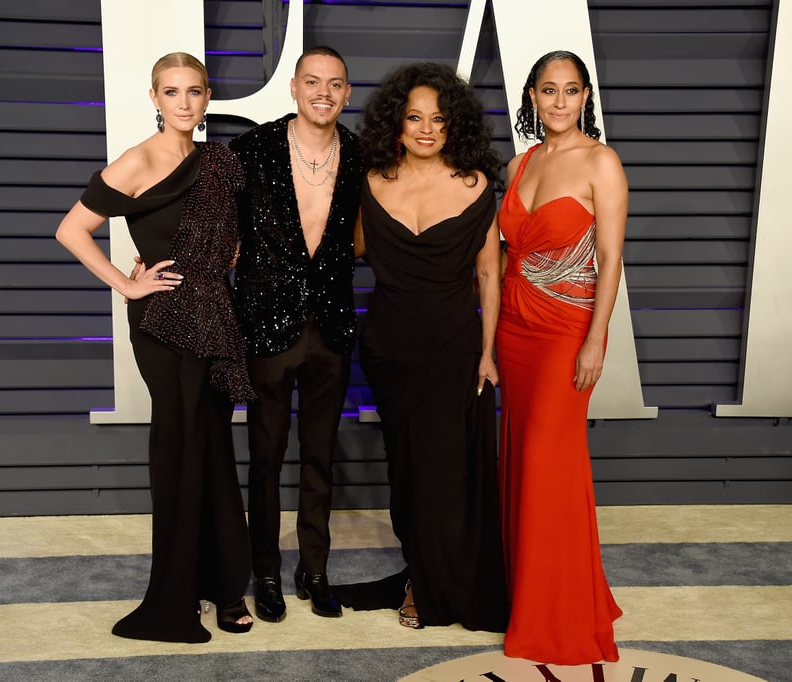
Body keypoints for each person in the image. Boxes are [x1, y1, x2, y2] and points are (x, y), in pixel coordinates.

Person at [55, 52, 253, 643]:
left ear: (207, 96)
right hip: (165, 320)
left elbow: (227, 236)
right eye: (172, 92)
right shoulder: (138, 160)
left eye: (194, 91)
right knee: (180, 449)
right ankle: (175, 593)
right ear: (155, 98)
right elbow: (71, 229)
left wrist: (224, 259)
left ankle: (222, 586)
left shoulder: (217, 159)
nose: (185, 103)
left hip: (216, 315)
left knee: (215, 449)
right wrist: (126, 282)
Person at [344, 62, 508, 632]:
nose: (425, 129)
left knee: (445, 471)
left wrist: (488, 353)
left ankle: (435, 585)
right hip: (389, 349)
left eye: (437, 120)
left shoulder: (476, 185)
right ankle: (419, 569)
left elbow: (490, 275)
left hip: (456, 348)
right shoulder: (370, 183)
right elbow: (343, 250)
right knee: (407, 471)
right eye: (414, 118)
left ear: (452, 125)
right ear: (397, 122)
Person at [496, 50, 625, 664]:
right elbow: (499, 257)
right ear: (531, 97)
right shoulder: (519, 163)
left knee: (552, 466)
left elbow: (611, 260)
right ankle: (533, 593)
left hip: (566, 332)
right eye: (548, 91)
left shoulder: (602, 162)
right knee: (522, 462)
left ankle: (562, 615)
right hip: (514, 332)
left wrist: (597, 339)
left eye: (571, 91)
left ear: (584, 98)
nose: (559, 102)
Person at [229, 46, 364, 622]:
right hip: (264, 323)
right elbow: (218, 230)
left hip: (330, 324)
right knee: (264, 456)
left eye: (335, 84)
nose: (324, 93)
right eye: (313, 81)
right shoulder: (250, 149)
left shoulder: (360, 154)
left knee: (319, 456)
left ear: (347, 94)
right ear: (293, 87)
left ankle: (315, 569)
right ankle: (265, 570)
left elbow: (363, 236)